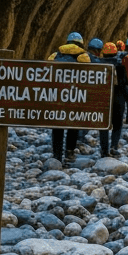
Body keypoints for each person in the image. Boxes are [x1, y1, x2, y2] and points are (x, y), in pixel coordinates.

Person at [46, 32, 91, 162]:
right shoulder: (83, 56)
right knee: (74, 123)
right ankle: (70, 152)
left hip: (57, 95)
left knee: (57, 124)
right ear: (80, 43)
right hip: (74, 95)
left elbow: (47, 73)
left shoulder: (55, 55)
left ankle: (56, 154)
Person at [99, 42, 125, 157]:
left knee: (104, 125)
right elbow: (124, 84)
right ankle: (114, 146)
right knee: (117, 124)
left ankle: (104, 150)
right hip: (118, 98)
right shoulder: (120, 66)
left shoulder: (98, 66)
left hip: (103, 98)